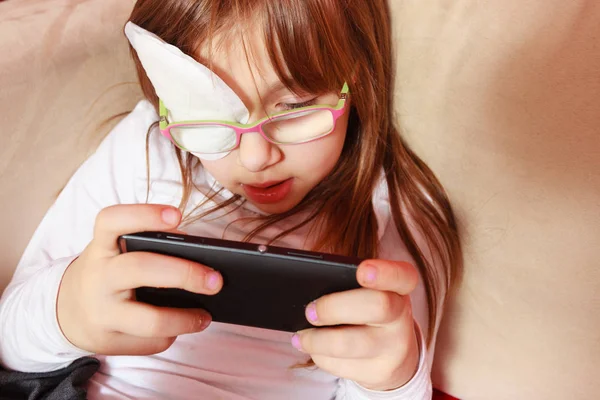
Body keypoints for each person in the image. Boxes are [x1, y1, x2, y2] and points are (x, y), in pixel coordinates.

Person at [0, 0, 461, 398]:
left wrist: (393, 379)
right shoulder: (144, 146)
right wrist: (67, 311)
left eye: (296, 106)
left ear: (357, 78)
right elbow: (10, 343)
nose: (258, 157)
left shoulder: (396, 212)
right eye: (209, 118)